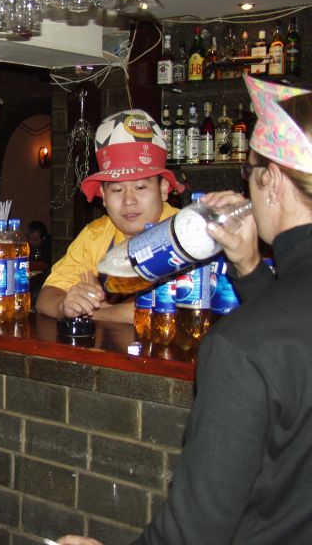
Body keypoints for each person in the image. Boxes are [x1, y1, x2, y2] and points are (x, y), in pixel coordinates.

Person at [58, 77, 312, 544]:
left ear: (273, 181)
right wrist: (249, 267)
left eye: (250, 170)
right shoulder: (273, 319)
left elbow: (198, 528)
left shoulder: (239, 347)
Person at [37, 109, 184, 323]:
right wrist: (65, 305)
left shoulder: (185, 233)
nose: (128, 200)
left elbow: (164, 311)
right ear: (104, 196)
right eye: (117, 190)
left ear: (163, 189)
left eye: (140, 187)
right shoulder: (95, 235)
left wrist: (94, 312)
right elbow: (46, 297)